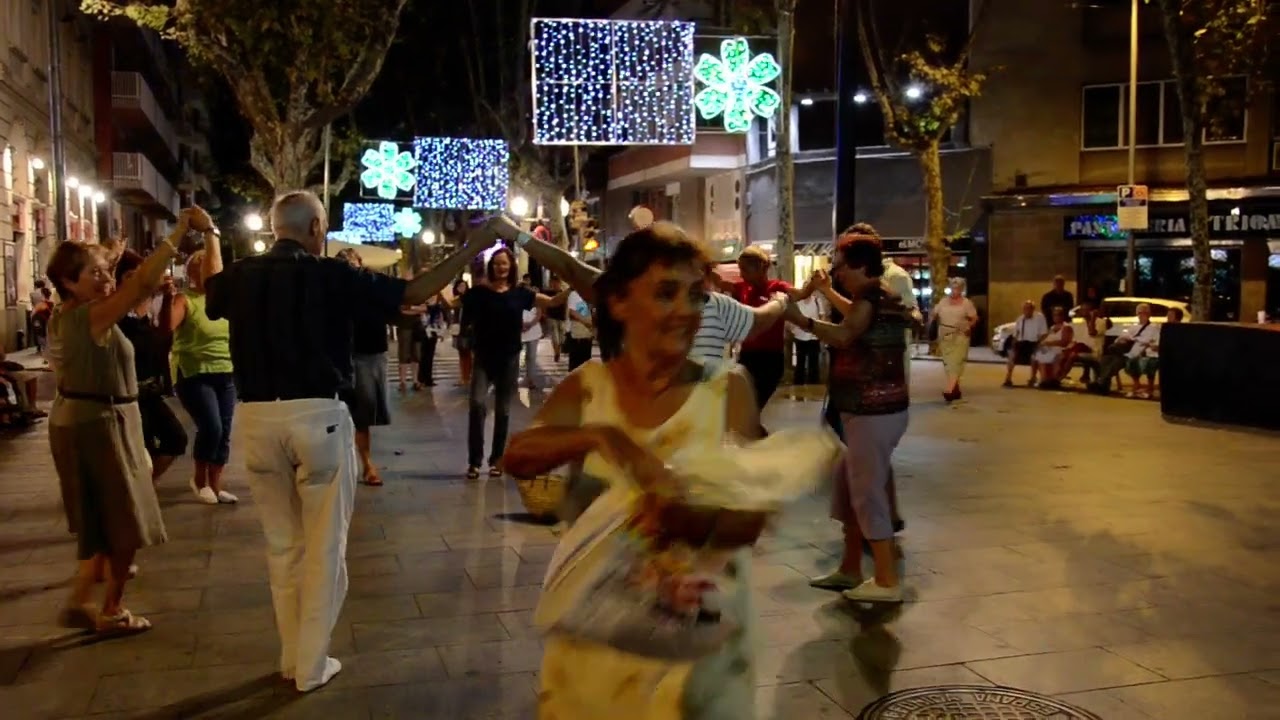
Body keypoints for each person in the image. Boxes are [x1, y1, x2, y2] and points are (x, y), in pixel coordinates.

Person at [201, 192, 498, 692]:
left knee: (282, 548)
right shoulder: (332, 273)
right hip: (318, 415)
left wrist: (208, 234)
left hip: (254, 417)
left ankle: (292, 656)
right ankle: (311, 664)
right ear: (317, 226)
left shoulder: (241, 275)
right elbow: (413, 291)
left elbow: (208, 290)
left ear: (275, 228)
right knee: (324, 547)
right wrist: (473, 247)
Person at [503, 222, 763, 718]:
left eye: (696, 296)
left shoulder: (727, 389)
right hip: (603, 630)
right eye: (666, 293)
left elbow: (759, 507)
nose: (687, 311)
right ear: (620, 303)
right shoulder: (590, 386)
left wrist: (699, 515)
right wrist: (605, 437)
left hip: (695, 633)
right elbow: (517, 456)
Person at [46, 223, 185, 634]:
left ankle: (78, 601)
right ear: (69, 283)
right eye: (95, 273)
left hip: (86, 419)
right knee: (126, 525)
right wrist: (177, 234)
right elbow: (141, 283)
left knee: (102, 522)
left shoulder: (66, 313)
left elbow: (123, 278)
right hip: (100, 425)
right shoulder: (91, 315)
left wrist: (109, 251)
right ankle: (111, 610)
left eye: (107, 270)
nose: (106, 278)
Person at [486, 218, 789, 366]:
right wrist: (517, 235)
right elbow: (570, 267)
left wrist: (779, 301)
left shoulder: (716, 306)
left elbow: (761, 319)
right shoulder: (632, 296)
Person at [792, 236, 911, 602]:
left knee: (866, 493)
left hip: (871, 410)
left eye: (840, 266)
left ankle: (887, 581)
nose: (836, 273)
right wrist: (827, 292)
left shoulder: (872, 298)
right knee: (850, 486)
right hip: (875, 409)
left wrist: (802, 321)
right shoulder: (877, 294)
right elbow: (855, 318)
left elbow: (845, 335)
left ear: (859, 266)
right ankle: (850, 568)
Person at [461, 247, 568, 479]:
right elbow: (454, 304)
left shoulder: (521, 293)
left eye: (505, 264)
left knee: (503, 410)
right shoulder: (479, 292)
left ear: (511, 267)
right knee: (477, 404)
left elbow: (551, 302)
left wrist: (573, 287)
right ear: (491, 266)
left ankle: (497, 459)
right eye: (497, 264)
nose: (501, 268)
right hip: (483, 356)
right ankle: (474, 461)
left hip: (508, 357)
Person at [160, 250, 237, 505]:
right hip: (194, 372)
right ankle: (199, 480)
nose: (209, 271)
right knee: (211, 427)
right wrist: (168, 298)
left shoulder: (226, 301)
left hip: (225, 371)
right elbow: (167, 327)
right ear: (192, 273)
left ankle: (215, 485)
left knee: (224, 431)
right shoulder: (186, 300)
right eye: (202, 266)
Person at [114, 250, 187, 481]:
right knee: (140, 451)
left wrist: (166, 299)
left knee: (175, 439)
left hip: (148, 393)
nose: (138, 281)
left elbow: (163, 337)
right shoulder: (115, 314)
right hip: (126, 396)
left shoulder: (141, 311)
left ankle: (143, 487)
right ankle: (137, 492)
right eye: (130, 276)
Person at [336, 248, 393, 487]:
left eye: (353, 262)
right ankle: (363, 463)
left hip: (372, 354)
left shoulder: (373, 285)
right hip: (346, 356)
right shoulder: (335, 291)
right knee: (352, 413)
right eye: (345, 264)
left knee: (364, 413)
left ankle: (365, 462)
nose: (351, 267)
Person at [928, 277, 978, 402]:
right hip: (945, 335)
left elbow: (974, 318)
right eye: (953, 287)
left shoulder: (966, 303)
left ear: (962, 289)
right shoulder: (943, 301)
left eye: (958, 288)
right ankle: (955, 389)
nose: (955, 290)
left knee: (956, 361)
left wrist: (968, 326)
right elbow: (934, 314)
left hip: (960, 335)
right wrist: (932, 321)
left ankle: (950, 390)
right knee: (948, 363)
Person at [1002, 300, 1048, 387]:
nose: (1027, 311)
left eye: (1029, 309)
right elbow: (1016, 335)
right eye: (1025, 309)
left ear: (1033, 309)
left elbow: (1044, 334)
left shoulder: (1039, 318)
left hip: (1034, 342)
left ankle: (1033, 377)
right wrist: (1013, 346)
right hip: (1022, 343)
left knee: (1035, 355)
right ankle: (1008, 378)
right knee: (1012, 354)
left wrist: (1039, 343)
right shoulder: (1020, 319)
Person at [1031, 306, 1075, 389]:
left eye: (1058, 315)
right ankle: (1042, 379)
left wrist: (1049, 343)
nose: (1056, 317)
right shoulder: (1052, 328)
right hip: (1049, 348)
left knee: (1050, 355)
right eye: (1054, 315)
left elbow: (1064, 342)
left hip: (1059, 349)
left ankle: (1052, 380)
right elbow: (1046, 338)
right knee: (1038, 354)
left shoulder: (1066, 327)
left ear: (1062, 316)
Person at [788, 292, 825, 385]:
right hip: (799, 335)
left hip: (813, 336)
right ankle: (798, 383)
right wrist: (792, 329)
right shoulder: (797, 302)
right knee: (800, 361)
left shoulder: (816, 300)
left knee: (814, 361)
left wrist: (821, 331)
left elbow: (822, 316)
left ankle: (813, 383)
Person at [395, 298, 426, 392]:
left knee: (416, 355)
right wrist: (416, 310)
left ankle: (415, 381)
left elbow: (424, 309)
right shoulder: (403, 294)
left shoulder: (420, 294)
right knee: (404, 354)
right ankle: (402, 381)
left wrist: (410, 308)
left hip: (417, 327)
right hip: (404, 326)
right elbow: (401, 310)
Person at [417, 293, 448, 387]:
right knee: (424, 356)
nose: (432, 297)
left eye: (434, 296)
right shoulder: (423, 306)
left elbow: (441, 321)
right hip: (424, 332)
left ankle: (428, 379)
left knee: (429, 357)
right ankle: (422, 379)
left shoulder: (438, 308)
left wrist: (441, 333)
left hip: (433, 333)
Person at [564, 284, 595, 371]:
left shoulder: (590, 295)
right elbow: (572, 313)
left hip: (587, 335)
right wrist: (587, 322)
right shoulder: (574, 294)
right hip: (577, 336)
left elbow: (591, 311)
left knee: (586, 364)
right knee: (575, 365)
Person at [448, 280, 473, 386]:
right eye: (460, 286)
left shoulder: (469, 298)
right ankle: (464, 376)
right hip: (457, 328)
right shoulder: (455, 299)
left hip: (467, 329)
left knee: (467, 352)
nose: (462, 288)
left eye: (464, 285)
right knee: (461, 353)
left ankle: (468, 376)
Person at [543, 275, 568, 362]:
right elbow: (544, 304)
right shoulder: (548, 293)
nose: (554, 284)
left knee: (562, 339)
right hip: (551, 317)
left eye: (556, 282)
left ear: (559, 283)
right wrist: (544, 314)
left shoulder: (563, 293)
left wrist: (567, 316)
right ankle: (556, 353)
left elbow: (567, 305)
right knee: (555, 338)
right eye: (552, 282)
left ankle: (558, 351)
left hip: (562, 318)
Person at [521, 304, 545, 389]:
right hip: (516, 331)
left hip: (533, 332)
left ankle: (530, 380)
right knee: (513, 358)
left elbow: (539, 314)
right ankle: (510, 380)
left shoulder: (534, 296)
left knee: (531, 357)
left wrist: (530, 324)